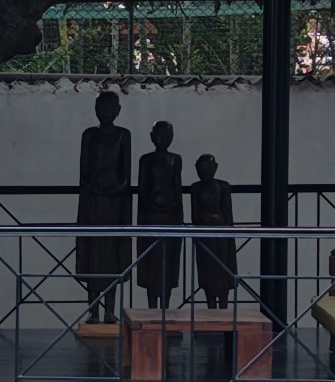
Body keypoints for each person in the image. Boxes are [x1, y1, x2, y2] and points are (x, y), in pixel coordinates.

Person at [73, 88, 133, 318]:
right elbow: (84, 171)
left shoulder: (123, 135)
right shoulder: (89, 135)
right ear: (95, 110)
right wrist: (95, 188)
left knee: (111, 256)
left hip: (114, 205)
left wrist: (113, 188)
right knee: (93, 256)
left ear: (118, 111)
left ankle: (110, 311)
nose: (106, 113)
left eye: (110, 109)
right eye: (101, 108)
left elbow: (126, 174)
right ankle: (93, 311)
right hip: (93, 204)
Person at [134, 120, 185, 307]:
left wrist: (176, 215)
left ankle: (165, 306)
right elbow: (143, 191)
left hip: (169, 218)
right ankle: (151, 307)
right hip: (151, 217)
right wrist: (154, 204)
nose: (163, 139)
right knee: (152, 263)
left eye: (167, 135)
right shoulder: (146, 160)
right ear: (152, 137)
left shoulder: (175, 159)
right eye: (160, 135)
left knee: (167, 264)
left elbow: (177, 191)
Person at [188, 153, 239, 307]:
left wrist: (219, 223)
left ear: (215, 168)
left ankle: (224, 308)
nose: (204, 172)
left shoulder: (223, 187)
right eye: (201, 168)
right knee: (208, 273)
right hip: (205, 236)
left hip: (221, 235)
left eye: (207, 168)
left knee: (222, 272)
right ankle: (211, 308)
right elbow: (195, 216)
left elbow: (228, 216)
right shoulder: (196, 188)